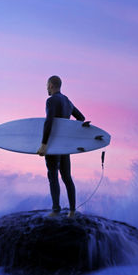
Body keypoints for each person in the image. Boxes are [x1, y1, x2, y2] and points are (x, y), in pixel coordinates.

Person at [37, 76, 85, 218]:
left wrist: (44, 144)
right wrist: (69, 134)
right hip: (65, 146)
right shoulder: (67, 101)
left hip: (54, 144)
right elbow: (81, 118)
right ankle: (72, 211)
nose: (46, 88)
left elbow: (49, 121)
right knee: (67, 177)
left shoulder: (51, 100)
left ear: (51, 85)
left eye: (47, 85)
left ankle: (56, 210)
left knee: (53, 176)